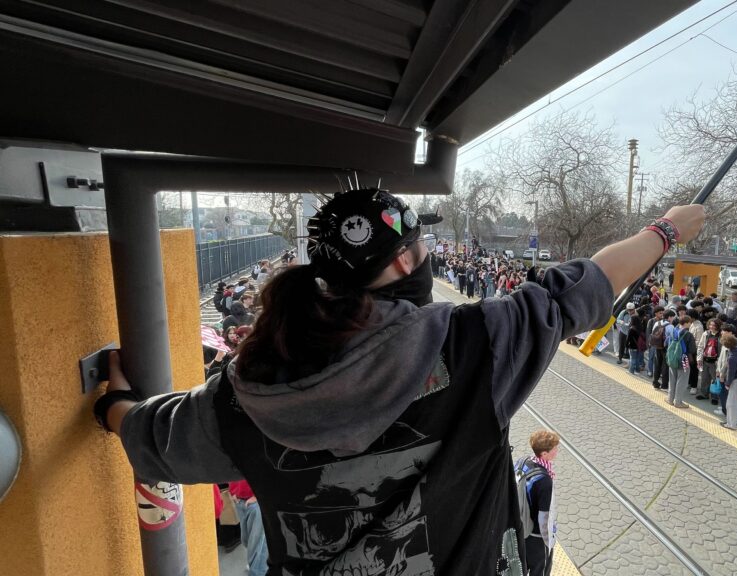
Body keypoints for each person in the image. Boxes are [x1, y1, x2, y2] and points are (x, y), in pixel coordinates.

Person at [92, 189, 705, 574]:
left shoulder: (241, 388)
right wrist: (667, 230)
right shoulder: (475, 344)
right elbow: (585, 286)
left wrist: (113, 404)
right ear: (409, 261)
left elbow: (155, 440)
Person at [521, 430, 560, 576]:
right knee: (540, 571)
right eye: (555, 448)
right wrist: (549, 543)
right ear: (544, 454)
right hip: (536, 538)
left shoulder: (524, 462)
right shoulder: (544, 481)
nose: (557, 451)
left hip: (521, 528)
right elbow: (545, 518)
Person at [229, 479, 269, 576]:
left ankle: (257, 570)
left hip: (256, 502)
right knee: (247, 540)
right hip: (240, 499)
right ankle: (261, 567)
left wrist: (258, 496)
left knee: (256, 544)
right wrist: (233, 491)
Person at [720, 334, 737, 430]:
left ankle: (731, 424)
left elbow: (731, 373)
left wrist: (727, 384)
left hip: (736, 381)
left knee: (731, 404)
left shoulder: (732, 357)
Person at [665, 315, 690, 409]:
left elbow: (666, 343)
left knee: (672, 379)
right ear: (686, 323)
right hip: (684, 358)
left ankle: (670, 399)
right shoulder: (687, 334)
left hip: (672, 358)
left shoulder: (673, 330)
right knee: (682, 379)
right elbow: (692, 349)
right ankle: (678, 402)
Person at [695, 319, 721, 400]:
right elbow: (700, 346)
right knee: (704, 378)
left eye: (714, 325)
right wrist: (699, 358)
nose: (711, 327)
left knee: (715, 379)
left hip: (715, 361)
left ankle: (715, 397)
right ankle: (704, 394)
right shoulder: (705, 334)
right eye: (710, 325)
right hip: (705, 359)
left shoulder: (721, 335)